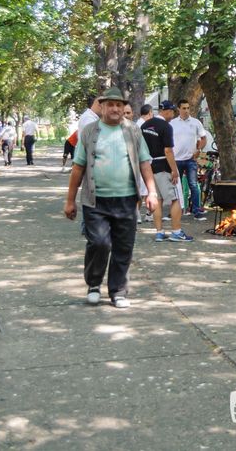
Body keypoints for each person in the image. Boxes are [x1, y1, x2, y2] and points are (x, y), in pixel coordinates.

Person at [64, 87, 159, 308]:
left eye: (118, 105)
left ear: (123, 107)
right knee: (99, 243)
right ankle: (94, 284)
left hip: (127, 199)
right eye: (110, 105)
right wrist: (69, 201)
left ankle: (118, 291)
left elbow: (144, 163)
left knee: (123, 247)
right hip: (96, 200)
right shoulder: (89, 131)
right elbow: (78, 167)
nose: (115, 109)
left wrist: (152, 192)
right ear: (102, 106)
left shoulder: (133, 130)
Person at [141, 102, 192, 241]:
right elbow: (168, 150)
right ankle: (176, 232)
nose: (174, 115)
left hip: (149, 167)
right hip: (163, 166)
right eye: (173, 111)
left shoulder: (144, 126)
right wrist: (174, 170)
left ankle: (159, 232)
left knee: (157, 199)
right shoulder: (166, 126)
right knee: (175, 200)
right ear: (168, 111)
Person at [170, 99, 208, 220]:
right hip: (176, 159)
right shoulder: (172, 123)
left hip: (191, 159)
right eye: (184, 108)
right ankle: (174, 211)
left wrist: (199, 150)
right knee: (176, 186)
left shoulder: (196, 122)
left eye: (188, 108)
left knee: (193, 185)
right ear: (178, 109)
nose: (186, 110)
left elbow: (203, 138)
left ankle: (196, 210)